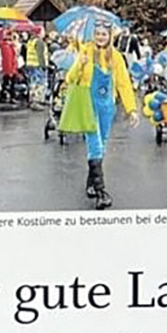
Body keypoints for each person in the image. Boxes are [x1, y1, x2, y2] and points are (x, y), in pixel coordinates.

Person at [65, 22, 139, 210]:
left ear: (110, 36)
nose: (100, 37)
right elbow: (70, 79)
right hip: (88, 104)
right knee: (95, 144)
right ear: (93, 35)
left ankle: (90, 183)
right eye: (97, 34)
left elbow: (123, 84)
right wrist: (79, 66)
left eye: (104, 34)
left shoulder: (116, 57)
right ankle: (101, 192)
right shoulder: (85, 52)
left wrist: (131, 109)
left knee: (102, 143)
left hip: (107, 106)